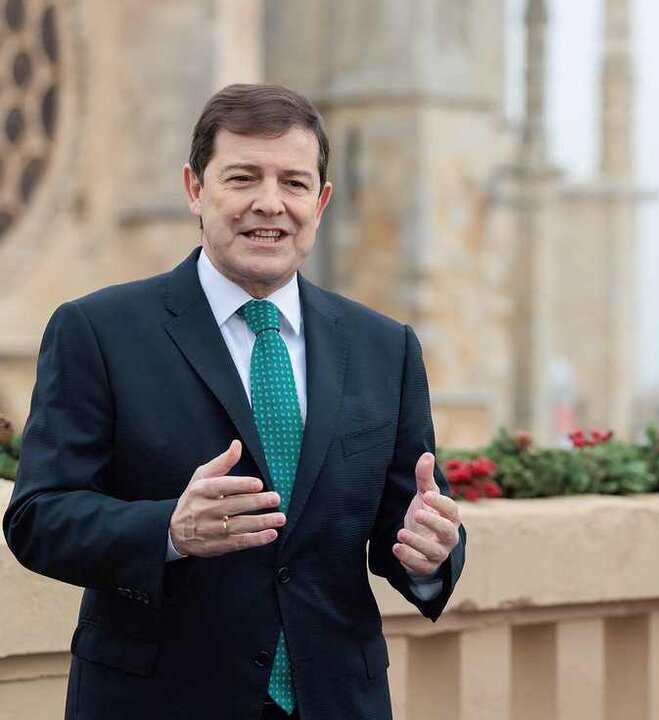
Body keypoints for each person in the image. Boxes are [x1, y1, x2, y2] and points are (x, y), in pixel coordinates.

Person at [2, 84, 466, 720]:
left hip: (337, 701)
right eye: (243, 177)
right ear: (195, 189)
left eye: (294, 183)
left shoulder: (386, 348)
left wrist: (431, 553)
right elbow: (38, 517)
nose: (268, 203)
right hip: (155, 702)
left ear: (321, 200)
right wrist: (168, 530)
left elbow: (405, 523)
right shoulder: (97, 331)